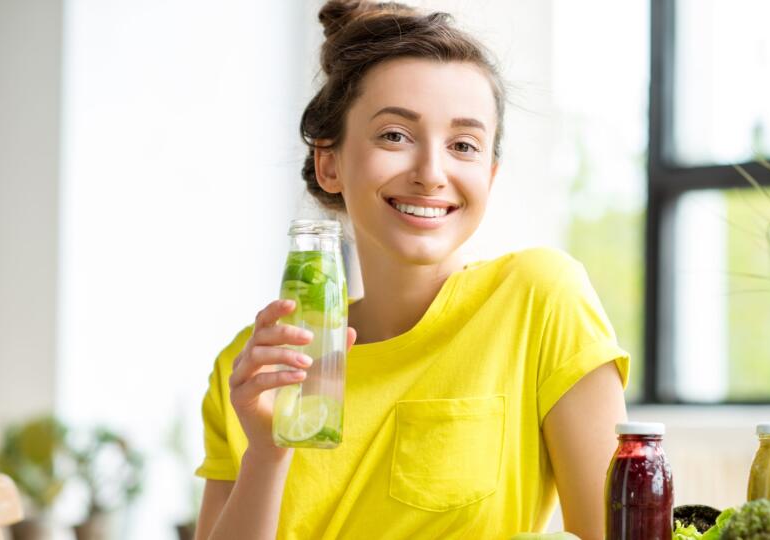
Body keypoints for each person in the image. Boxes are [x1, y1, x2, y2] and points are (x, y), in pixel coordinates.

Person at [194, 2, 629, 539]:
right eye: (395, 135)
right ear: (329, 162)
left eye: (463, 145)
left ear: (489, 176)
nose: (431, 173)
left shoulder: (540, 300)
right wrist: (267, 453)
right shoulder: (255, 369)